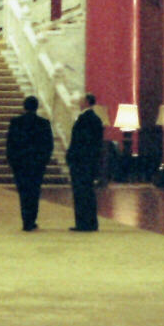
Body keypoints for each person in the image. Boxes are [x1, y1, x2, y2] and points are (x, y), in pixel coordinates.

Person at [5, 96, 54, 232]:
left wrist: (13, 162)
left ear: (24, 106)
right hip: (37, 165)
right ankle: (31, 220)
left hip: (20, 164)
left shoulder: (16, 122)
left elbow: (10, 145)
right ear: (37, 107)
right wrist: (43, 162)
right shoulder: (44, 123)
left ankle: (26, 220)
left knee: (23, 192)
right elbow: (48, 145)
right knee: (34, 192)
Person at [66, 94, 104, 232]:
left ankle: (83, 223)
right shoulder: (95, 119)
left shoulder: (86, 119)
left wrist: (72, 157)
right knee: (88, 192)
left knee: (81, 193)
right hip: (88, 162)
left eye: (81, 100)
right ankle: (90, 222)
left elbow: (80, 142)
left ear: (87, 102)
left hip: (81, 162)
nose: (79, 102)